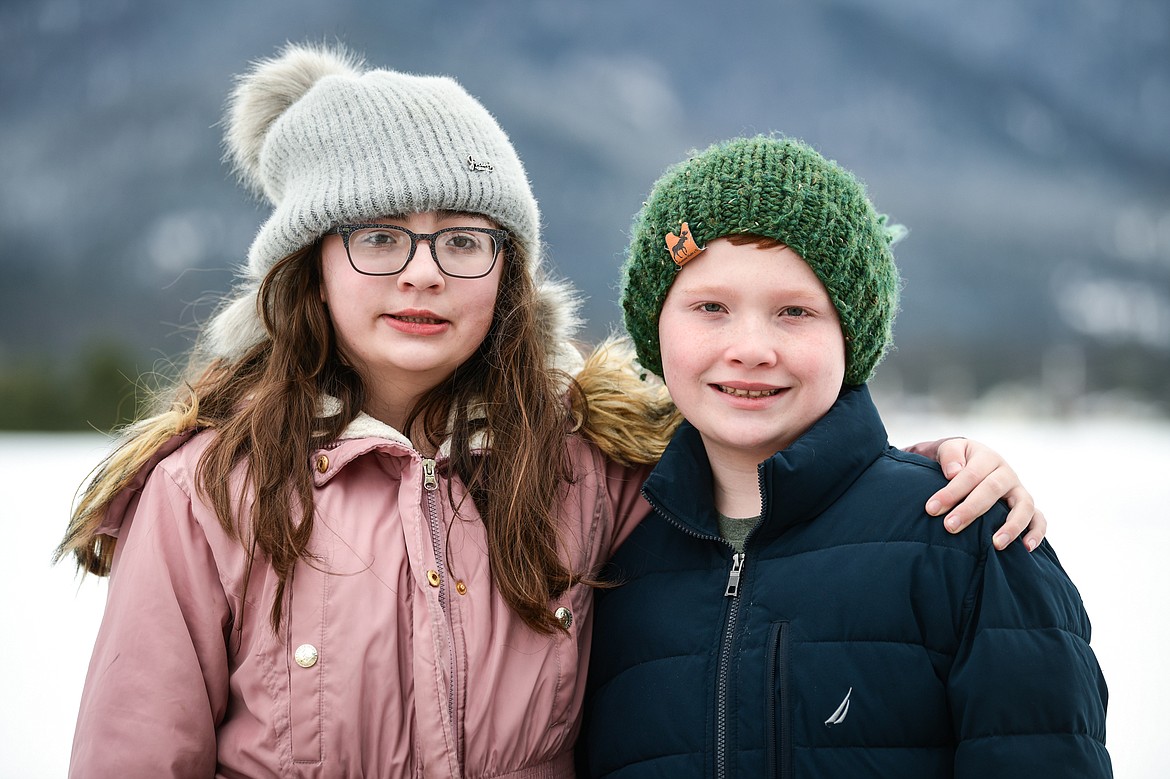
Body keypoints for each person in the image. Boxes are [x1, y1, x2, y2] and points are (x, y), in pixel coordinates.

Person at [56, 44, 1046, 778]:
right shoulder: (206, 497)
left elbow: (764, 490)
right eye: (379, 237)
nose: (423, 275)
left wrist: (932, 472)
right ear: (309, 265)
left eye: (463, 240)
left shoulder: (591, 465)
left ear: (509, 269)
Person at [579, 136, 1111, 777]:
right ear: (653, 328)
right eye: (711, 308)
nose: (751, 348)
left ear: (851, 335)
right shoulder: (609, 557)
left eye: (794, 312)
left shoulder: (964, 538)